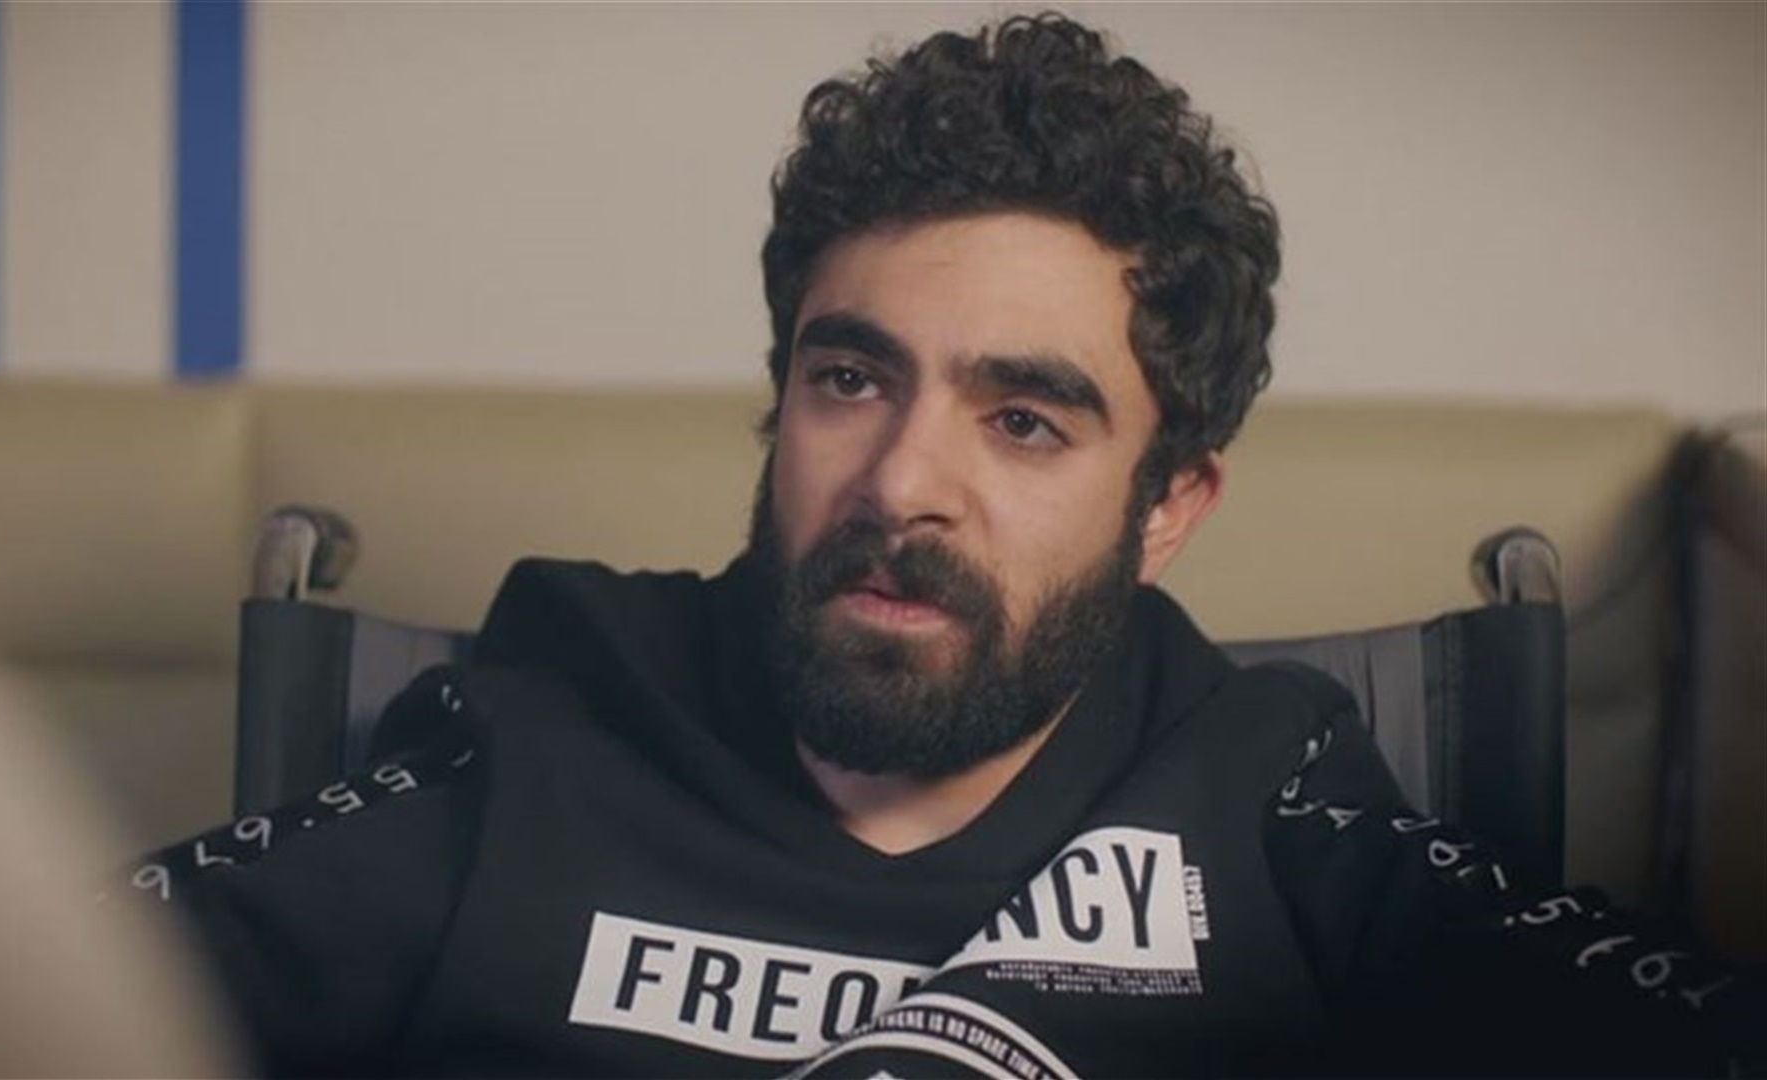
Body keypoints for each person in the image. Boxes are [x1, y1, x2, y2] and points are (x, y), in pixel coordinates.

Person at [122, 13, 1760, 1077]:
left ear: (1169, 506)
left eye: (1024, 419)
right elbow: (62, 980)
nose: (903, 480)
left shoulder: (1272, 796)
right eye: (850, 379)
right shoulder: (547, 721)